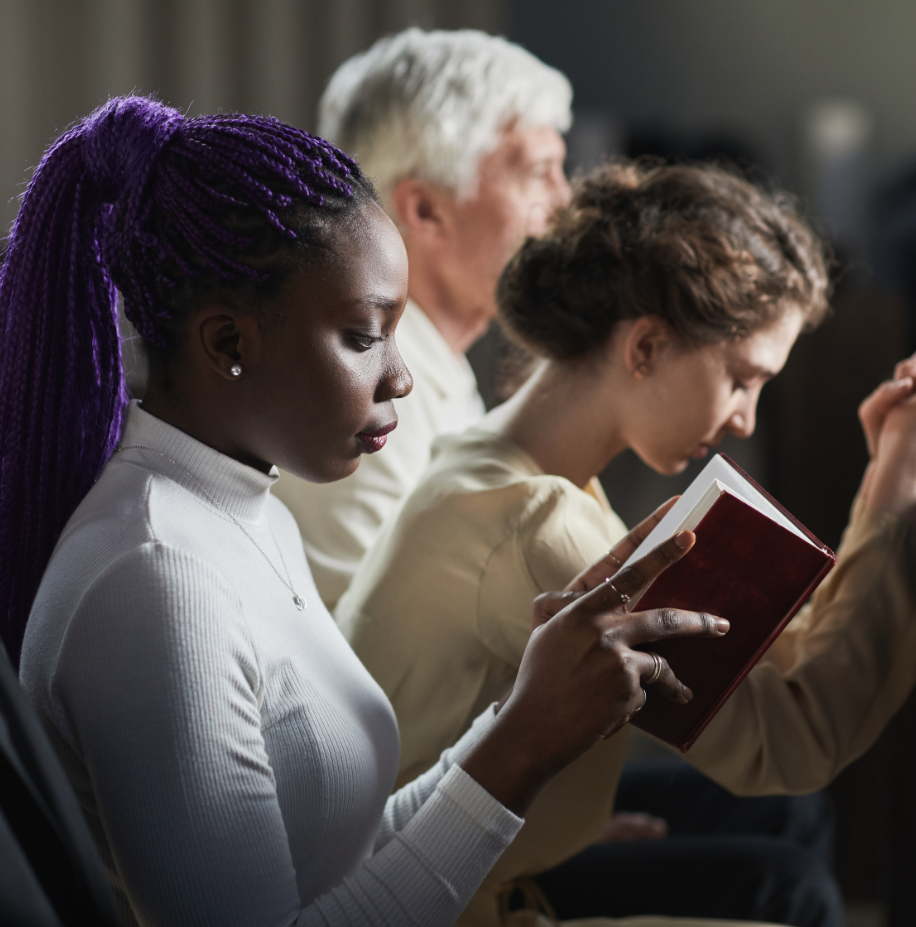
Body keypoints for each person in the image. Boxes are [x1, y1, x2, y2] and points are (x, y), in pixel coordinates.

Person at [2, 96, 747, 927]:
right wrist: (521, 744)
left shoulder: (242, 509)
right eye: (364, 335)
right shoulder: (156, 578)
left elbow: (343, 858)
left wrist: (534, 707)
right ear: (226, 343)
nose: (401, 378)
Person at [335, 161, 916, 926]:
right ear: (643, 348)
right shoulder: (537, 522)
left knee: (788, 832)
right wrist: (896, 495)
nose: (745, 417)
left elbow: (762, 668)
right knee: (789, 879)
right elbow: (797, 733)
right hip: (444, 900)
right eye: (742, 379)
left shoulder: (505, 466)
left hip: (459, 850)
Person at [272, 28, 572, 610]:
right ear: (427, 210)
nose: (565, 203)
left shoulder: (437, 369)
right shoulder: (368, 396)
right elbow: (377, 672)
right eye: (540, 172)